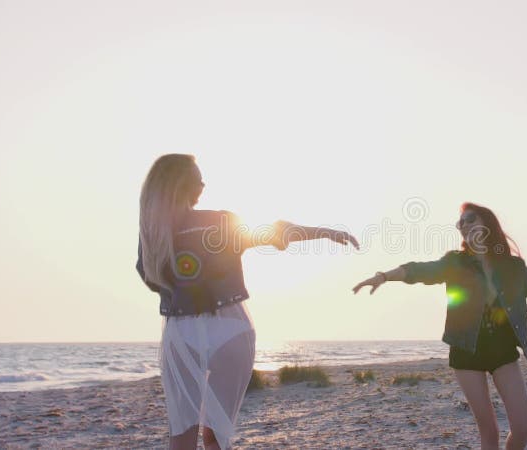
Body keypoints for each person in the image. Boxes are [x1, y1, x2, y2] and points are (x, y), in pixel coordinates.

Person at [136, 154, 359, 450]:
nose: (203, 184)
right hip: (229, 326)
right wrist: (325, 232)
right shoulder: (219, 222)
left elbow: (150, 278)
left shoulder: (152, 234)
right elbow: (272, 232)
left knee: (181, 436)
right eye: (198, 178)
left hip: (180, 331)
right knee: (214, 436)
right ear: (184, 185)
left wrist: (185, 289)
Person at [352, 202, 527, 450]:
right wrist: (384, 276)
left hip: (502, 350)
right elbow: (419, 270)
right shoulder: (455, 263)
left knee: (521, 431)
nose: (463, 225)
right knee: (489, 432)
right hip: (466, 351)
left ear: (487, 224)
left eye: (469, 219)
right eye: (459, 223)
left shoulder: (513, 267)